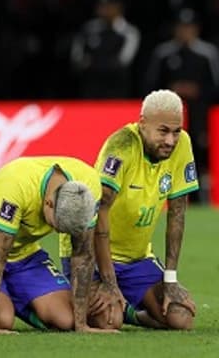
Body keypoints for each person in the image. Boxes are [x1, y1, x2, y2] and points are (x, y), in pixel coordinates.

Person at [62, 89, 200, 330]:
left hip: (136, 258)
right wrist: (108, 281)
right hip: (93, 255)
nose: (170, 141)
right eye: (163, 131)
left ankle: (128, 311)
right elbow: (99, 212)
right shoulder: (121, 146)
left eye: (176, 131)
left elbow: (177, 213)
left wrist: (170, 279)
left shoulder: (182, 145)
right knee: (108, 321)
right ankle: (116, 307)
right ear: (143, 123)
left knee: (180, 318)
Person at [0, 155, 116, 334]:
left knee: (65, 319)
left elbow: (82, 254)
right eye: (58, 226)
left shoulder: (88, 186)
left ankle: (12, 294)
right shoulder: (16, 186)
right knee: (2, 319)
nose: (59, 232)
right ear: (48, 203)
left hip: (23, 253)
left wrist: (81, 325)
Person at [143, 7, 219, 197]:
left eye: (189, 27)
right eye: (182, 27)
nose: (185, 32)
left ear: (196, 29)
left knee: (200, 152)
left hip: (200, 115)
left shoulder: (207, 54)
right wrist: (172, 92)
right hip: (168, 117)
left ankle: (200, 196)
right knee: (166, 151)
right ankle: (162, 192)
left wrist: (198, 91)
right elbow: (150, 85)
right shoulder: (163, 54)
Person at [71, 0, 141, 98]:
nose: (105, 9)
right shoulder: (88, 29)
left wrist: (95, 63)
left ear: (119, 7)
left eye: (109, 5)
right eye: (102, 6)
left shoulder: (129, 32)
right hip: (90, 91)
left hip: (117, 92)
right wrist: (104, 63)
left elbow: (123, 62)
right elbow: (77, 61)